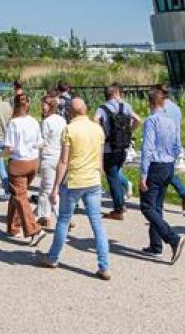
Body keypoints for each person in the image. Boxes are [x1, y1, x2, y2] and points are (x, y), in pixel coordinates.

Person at [35, 98, 111, 279]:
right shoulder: (97, 129)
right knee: (97, 225)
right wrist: (100, 178)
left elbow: (63, 162)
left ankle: (53, 257)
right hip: (93, 180)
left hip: (74, 180)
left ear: (70, 112)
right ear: (85, 109)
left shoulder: (69, 129)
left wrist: (55, 188)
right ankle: (104, 266)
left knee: (63, 221)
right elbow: (100, 160)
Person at [139, 87, 185, 264]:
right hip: (168, 165)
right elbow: (177, 147)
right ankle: (155, 245)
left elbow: (147, 149)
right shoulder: (171, 121)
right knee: (157, 206)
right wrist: (171, 160)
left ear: (150, 103)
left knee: (146, 207)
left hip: (155, 166)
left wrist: (143, 173)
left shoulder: (151, 121)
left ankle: (173, 238)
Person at [3, 92, 46, 246]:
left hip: (19, 162)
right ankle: (12, 226)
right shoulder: (34, 121)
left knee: (20, 196)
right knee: (17, 194)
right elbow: (40, 143)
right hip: (33, 162)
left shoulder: (13, 123)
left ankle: (34, 230)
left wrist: (0, 156)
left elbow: (9, 147)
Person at [96, 84, 140, 220]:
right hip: (123, 148)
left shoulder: (102, 109)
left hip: (109, 148)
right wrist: (129, 131)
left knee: (113, 178)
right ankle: (121, 204)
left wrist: (100, 134)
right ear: (115, 93)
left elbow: (94, 120)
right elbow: (138, 120)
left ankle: (118, 209)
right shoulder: (125, 106)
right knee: (115, 174)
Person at [155, 86, 185, 211]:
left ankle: (157, 207)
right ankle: (184, 194)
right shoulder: (176, 108)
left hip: (161, 144)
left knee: (161, 175)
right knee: (169, 172)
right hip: (174, 143)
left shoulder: (159, 108)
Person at [35, 93, 68, 228]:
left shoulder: (46, 122)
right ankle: (44, 216)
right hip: (60, 155)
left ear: (50, 106)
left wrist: (35, 148)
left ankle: (60, 217)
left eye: (44, 105)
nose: (42, 107)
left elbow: (42, 141)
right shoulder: (62, 120)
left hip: (48, 157)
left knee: (48, 189)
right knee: (51, 188)